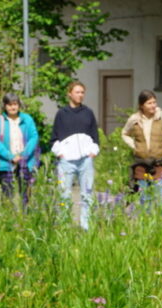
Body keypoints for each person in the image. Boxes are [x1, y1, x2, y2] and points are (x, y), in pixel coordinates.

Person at [121, 90, 162, 208]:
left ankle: (161, 225)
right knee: (144, 202)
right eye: (149, 103)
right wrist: (134, 146)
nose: (153, 105)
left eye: (154, 102)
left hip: (159, 165)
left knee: (159, 201)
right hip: (141, 166)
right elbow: (124, 133)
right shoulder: (134, 119)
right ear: (141, 105)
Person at [50, 81, 99, 230]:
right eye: (77, 92)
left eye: (82, 92)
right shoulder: (61, 114)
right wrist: (60, 153)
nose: (80, 95)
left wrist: (93, 151)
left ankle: (86, 226)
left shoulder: (88, 112)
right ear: (69, 94)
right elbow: (54, 138)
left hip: (85, 160)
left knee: (87, 194)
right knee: (64, 194)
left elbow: (94, 135)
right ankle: (64, 225)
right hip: (66, 162)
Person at [0, 93, 40, 209]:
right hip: (6, 162)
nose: (13, 107)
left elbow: (34, 136)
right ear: (5, 106)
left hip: (25, 162)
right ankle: (8, 221)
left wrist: (24, 155)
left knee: (26, 194)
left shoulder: (27, 119)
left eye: (15, 104)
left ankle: (25, 219)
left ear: (19, 105)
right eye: (9, 105)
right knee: (7, 194)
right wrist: (10, 156)